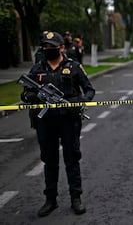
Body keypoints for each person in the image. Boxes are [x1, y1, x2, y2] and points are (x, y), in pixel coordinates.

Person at [20, 31, 95, 217]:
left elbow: (89, 89)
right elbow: (25, 93)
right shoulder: (37, 68)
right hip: (45, 122)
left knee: (72, 158)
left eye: (51, 47)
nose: (47, 50)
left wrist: (81, 102)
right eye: (45, 47)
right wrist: (31, 96)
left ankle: (76, 198)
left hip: (68, 120)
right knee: (49, 161)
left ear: (61, 48)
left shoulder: (73, 66)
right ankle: (50, 200)